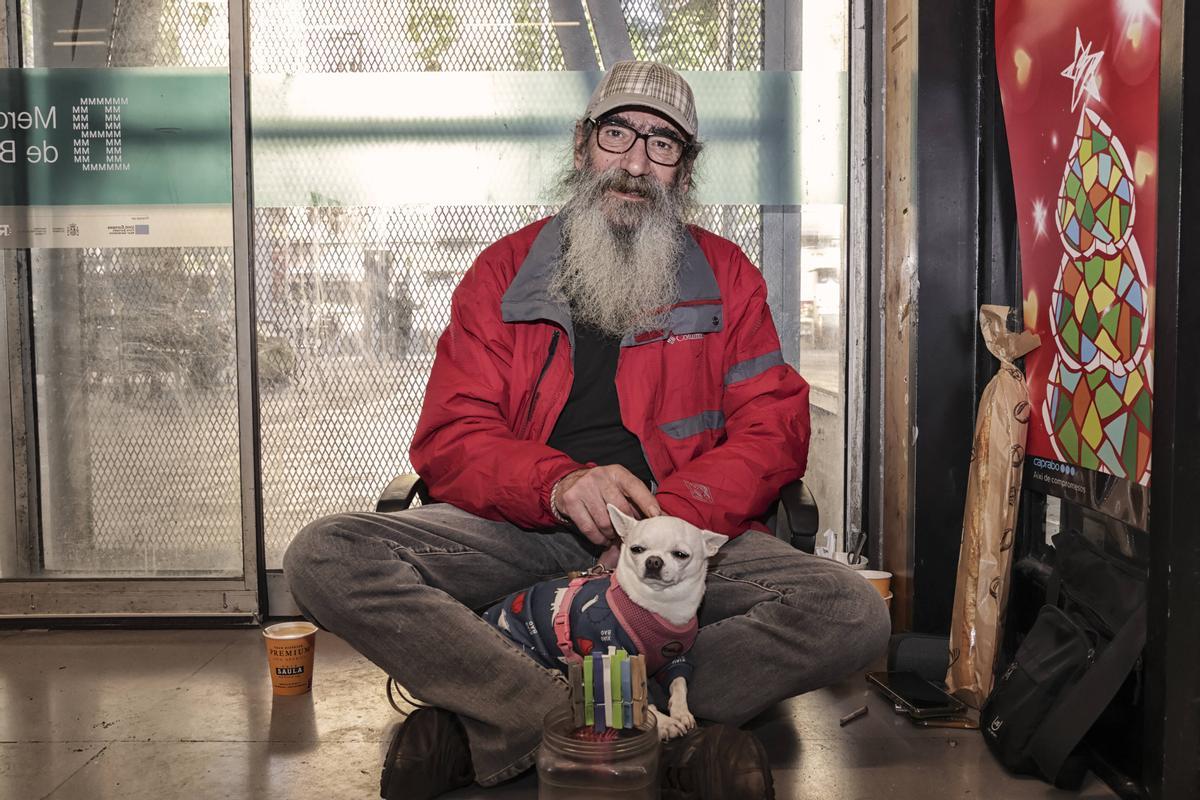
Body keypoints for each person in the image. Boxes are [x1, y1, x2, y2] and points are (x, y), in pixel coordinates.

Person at [284, 60, 890, 800]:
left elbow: (775, 427)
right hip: (522, 529)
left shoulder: (728, 277)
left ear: (684, 170)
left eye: (662, 145)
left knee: (852, 614)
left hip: (676, 543)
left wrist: (673, 519)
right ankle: (621, 728)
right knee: (324, 555)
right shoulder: (499, 273)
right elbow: (451, 435)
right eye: (617, 135)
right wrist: (559, 484)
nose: (635, 163)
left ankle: (499, 716)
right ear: (582, 147)